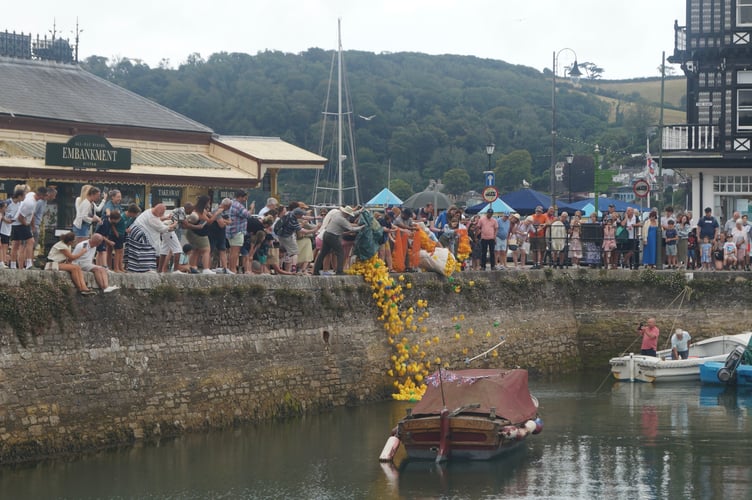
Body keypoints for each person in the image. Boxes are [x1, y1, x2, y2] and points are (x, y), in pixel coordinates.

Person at [126, 203, 178, 273]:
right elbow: (162, 228)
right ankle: (146, 269)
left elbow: (157, 218)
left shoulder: (149, 211)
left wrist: (165, 218)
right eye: (162, 213)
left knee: (134, 254)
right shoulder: (153, 218)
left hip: (134, 231)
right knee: (148, 252)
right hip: (141, 236)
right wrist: (173, 225)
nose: (162, 215)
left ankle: (135, 268)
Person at [313, 206, 364, 276]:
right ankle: (339, 271)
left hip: (326, 234)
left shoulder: (338, 213)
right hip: (333, 236)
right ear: (346, 213)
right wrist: (361, 228)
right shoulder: (342, 220)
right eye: (348, 215)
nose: (349, 216)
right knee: (340, 253)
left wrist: (359, 211)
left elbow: (352, 214)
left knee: (322, 253)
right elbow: (351, 228)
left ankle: (315, 271)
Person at [45, 231, 97, 296]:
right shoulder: (62, 246)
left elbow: (68, 259)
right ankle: (80, 288)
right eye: (74, 241)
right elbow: (72, 257)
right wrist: (82, 252)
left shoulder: (68, 245)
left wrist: (69, 263)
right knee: (74, 268)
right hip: (52, 264)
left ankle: (84, 287)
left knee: (77, 267)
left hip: (60, 263)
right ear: (70, 241)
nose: (74, 242)